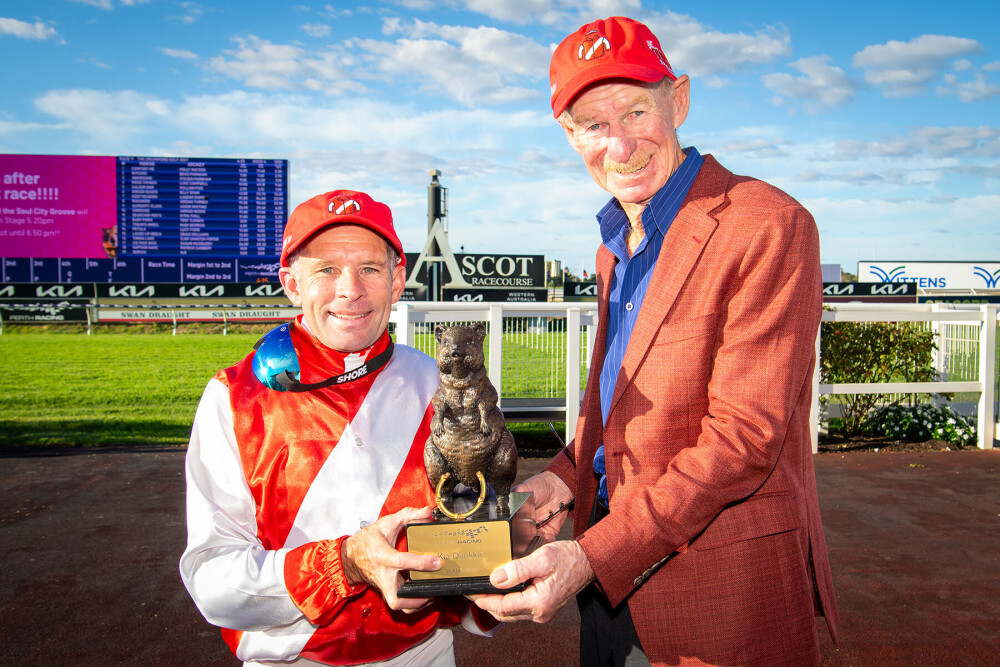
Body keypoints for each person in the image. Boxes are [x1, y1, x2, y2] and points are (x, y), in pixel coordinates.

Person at [473, 16, 839, 666]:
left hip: (720, 597)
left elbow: (743, 439)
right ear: (570, 136)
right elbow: (616, 413)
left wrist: (591, 555)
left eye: (636, 110)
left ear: (680, 100)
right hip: (611, 598)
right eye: (593, 124)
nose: (620, 144)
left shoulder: (770, 224)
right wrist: (562, 481)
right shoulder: (616, 243)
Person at [180, 189, 497, 666]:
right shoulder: (233, 398)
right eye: (326, 269)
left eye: (369, 268)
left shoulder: (440, 385)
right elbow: (212, 581)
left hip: (424, 654)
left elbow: (471, 533)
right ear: (292, 283)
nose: (350, 290)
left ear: (396, 280)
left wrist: (504, 552)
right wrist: (344, 564)